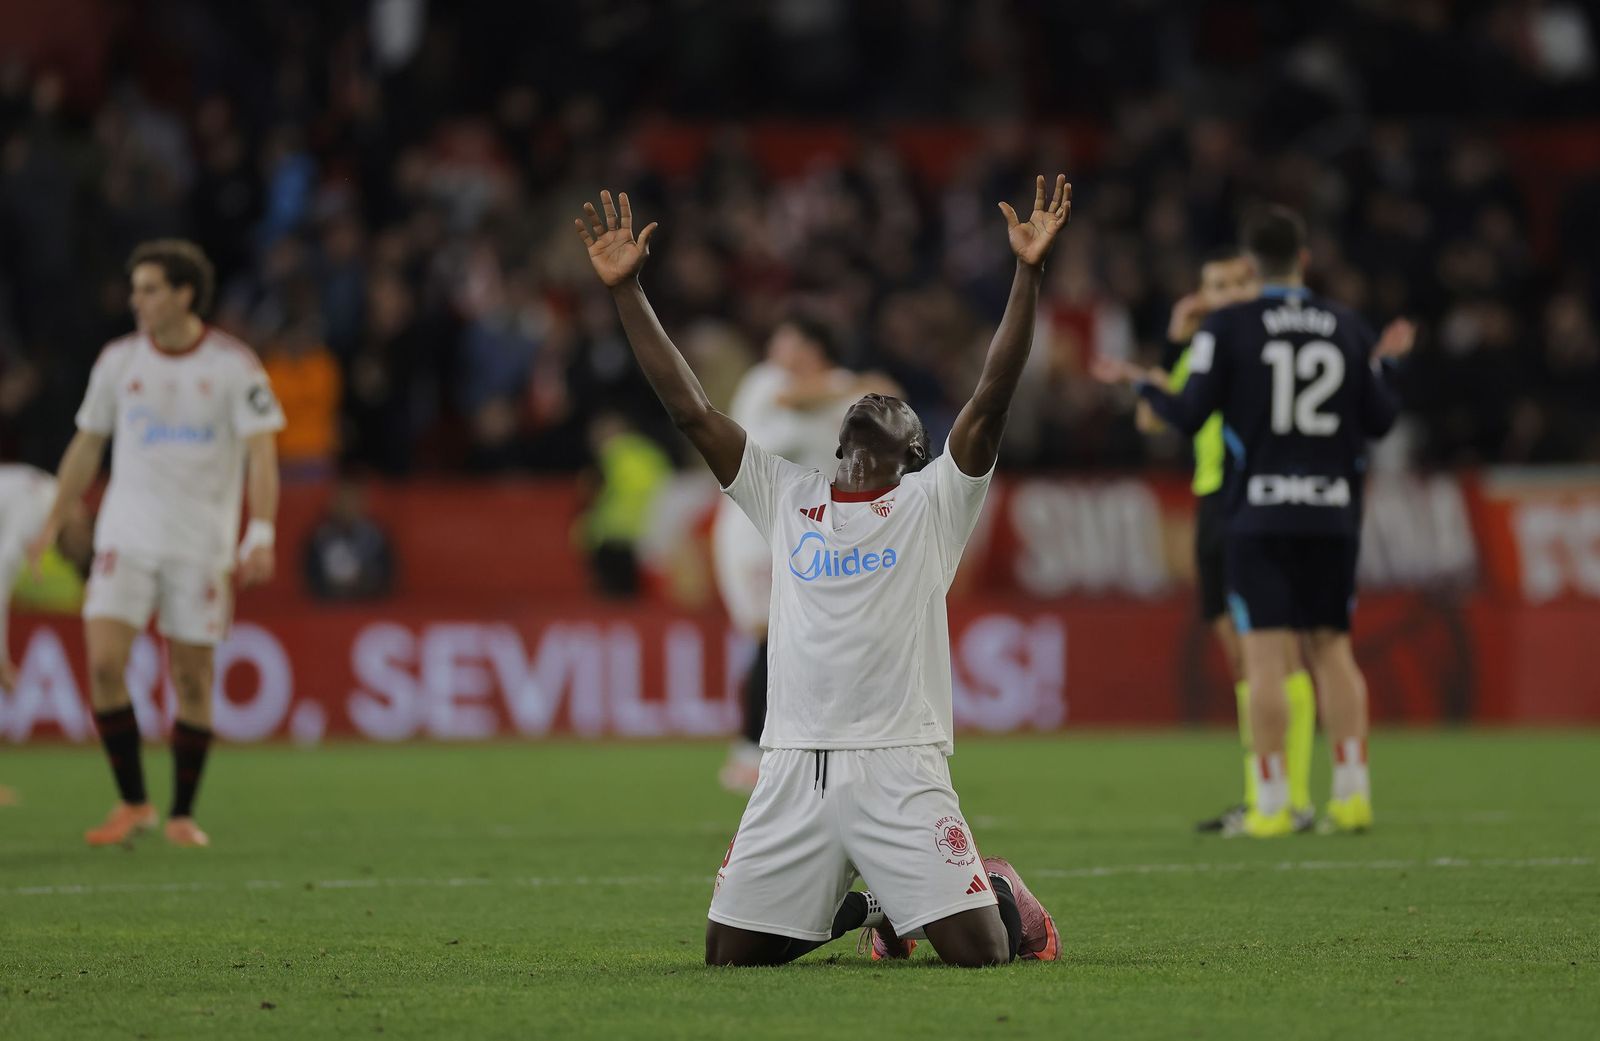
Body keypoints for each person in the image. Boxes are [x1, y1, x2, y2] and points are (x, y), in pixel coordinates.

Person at [575, 177, 1070, 967]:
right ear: (839, 438)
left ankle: (996, 891)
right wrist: (629, 290)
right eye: (860, 401)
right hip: (792, 764)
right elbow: (691, 410)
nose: (873, 398)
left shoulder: (934, 502)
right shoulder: (786, 493)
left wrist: (1028, 275)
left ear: (914, 450)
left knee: (981, 953)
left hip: (899, 762)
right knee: (730, 956)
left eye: (895, 404)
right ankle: (872, 902)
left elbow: (991, 397)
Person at [1095, 206, 1414, 838]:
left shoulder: (1233, 327)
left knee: (1265, 657)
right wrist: (1389, 368)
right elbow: (1381, 420)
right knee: (1333, 650)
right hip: (1331, 508)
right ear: (1305, 259)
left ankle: (1270, 801)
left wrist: (1144, 387)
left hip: (1258, 509)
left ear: (1253, 263)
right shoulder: (1345, 325)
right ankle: (1351, 795)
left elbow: (1186, 414)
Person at [29, 239, 285, 849]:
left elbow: (261, 455)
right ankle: (133, 803)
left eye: (149, 289)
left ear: (184, 294)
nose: (136, 300)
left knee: (192, 680)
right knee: (103, 663)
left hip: (201, 544)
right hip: (126, 534)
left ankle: (181, 814)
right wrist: (55, 518)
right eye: (136, 288)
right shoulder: (119, 361)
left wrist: (262, 532)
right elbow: (88, 444)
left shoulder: (232, 365)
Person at [1137, 248, 1317, 836]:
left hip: (1255, 499)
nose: (1217, 295)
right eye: (1210, 284)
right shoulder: (1207, 350)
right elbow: (1149, 419)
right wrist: (1173, 340)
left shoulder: (1257, 349)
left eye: (1232, 284)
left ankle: (1293, 797)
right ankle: (1265, 794)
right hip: (1212, 502)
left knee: (1276, 653)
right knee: (1244, 660)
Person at [711, 315, 899, 793]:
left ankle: (807, 747)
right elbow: (792, 398)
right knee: (767, 633)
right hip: (752, 525)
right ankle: (749, 750)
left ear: (814, 348)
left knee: (808, 636)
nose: (779, 348)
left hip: (808, 532)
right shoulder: (767, 381)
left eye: (788, 339)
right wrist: (858, 385)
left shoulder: (838, 389)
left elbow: (892, 398)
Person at [0, 463, 93, 806]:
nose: (65, 557)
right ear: (80, 522)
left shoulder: (46, 492)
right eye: (75, 551)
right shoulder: (42, 503)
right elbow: (3, 570)